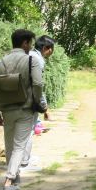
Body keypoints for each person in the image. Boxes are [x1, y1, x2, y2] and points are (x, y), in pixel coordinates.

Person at [0, 29, 47, 190]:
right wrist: (39, 102)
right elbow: (37, 84)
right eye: (30, 43)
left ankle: (14, 176)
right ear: (24, 43)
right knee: (19, 146)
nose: (30, 46)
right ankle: (9, 180)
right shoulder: (31, 61)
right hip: (25, 108)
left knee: (9, 145)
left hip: (6, 109)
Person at [22, 35, 55, 168]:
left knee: (20, 132)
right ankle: (24, 162)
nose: (52, 52)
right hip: (29, 100)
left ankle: (21, 159)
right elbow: (37, 85)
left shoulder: (28, 54)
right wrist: (44, 107)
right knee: (28, 131)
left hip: (18, 97)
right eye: (52, 49)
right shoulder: (38, 60)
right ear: (46, 48)